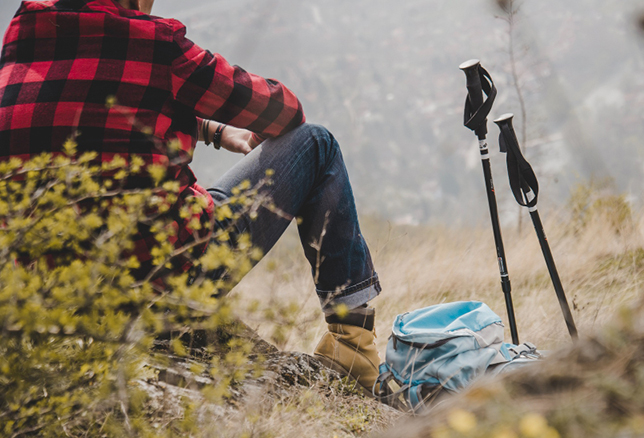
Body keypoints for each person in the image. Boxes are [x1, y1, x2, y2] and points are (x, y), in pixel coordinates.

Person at [0, 0, 383, 395]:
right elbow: (283, 112)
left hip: (47, 295)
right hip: (157, 284)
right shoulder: (156, 43)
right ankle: (352, 345)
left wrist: (212, 131)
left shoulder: (24, 31)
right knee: (316, 143)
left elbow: (90, 101)